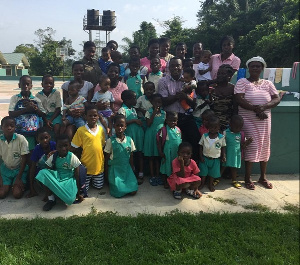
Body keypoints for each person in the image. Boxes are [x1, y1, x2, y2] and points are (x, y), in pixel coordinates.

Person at [234, 56, 280, 190]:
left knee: (265, 146)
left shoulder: (268, 84)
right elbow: (239, 99)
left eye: (258, 66)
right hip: (248, 120)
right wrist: (256, 109)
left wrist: (264, 107)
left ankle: (262, 177)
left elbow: (276, 99)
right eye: (252, 66)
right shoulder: (242, 82)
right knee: (251, 146)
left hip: (264, 121)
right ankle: (248, 178)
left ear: (262, 68)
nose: (255, 68)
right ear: (248, 68)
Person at [158, 57, 200, 160]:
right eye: (172, 65)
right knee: (169, 144)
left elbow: (194, 104)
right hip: (170, 118)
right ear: (169, 67)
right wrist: (178, 96)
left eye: (178, 65)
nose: (175, 68)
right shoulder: (163, 81)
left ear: (182, 67)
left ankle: (193, 169)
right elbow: (163, 101)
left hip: (186, 117)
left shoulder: (189, 80)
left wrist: (185, 97)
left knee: (195, 139)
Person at [35, 134, 82, 211]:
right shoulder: (54, 156)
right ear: (56, 147)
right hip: (57, 177)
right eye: (60, 146)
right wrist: (47, 192)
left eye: (65, 146)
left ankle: (61, 194)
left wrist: (78, 193)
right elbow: (48, 171)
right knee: (42, 173)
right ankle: (51, 199)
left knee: (70, 200)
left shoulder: (72, 157)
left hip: (68, 179)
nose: (63, 149)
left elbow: (77, 175)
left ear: (69, 146)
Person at [71, 106, 106, 192]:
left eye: (95, 115)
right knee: (83, 189)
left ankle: (94, 180)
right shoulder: (81, 130)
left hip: (98, 166)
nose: (93, 117)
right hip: (86, 165)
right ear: (85, 117)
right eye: (90, 115)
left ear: (98, 116)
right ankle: (87, 179)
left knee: (99, 187)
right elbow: (74, 147)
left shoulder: (101, 129)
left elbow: (102, 145)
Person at [104, 114, 138, 198]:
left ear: (125, 127)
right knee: (118, 192)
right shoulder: (110, 141)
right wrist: (106, 175)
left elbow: (131, 156)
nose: (120, 128)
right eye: (117, 125)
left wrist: (132, 168)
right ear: (114, 127)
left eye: (122, 125)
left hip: (126, 169)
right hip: (115, 170)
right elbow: (106, 158)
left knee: (133, 191)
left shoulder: (129, 140)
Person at [8, 75, 46, 151]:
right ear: (19, 85)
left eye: (28, 84)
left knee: (30, 150)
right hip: (19, 131)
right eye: (23, 84)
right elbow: (11, 114)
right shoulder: (15, 98)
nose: (25, 86)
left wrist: (35, 108)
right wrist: (26, 110)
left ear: (31, 86)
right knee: (20, 150)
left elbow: (43, 114)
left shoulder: (36, 100)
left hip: (32, 132)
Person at [118, 90, 144, 183]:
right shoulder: (122, 110)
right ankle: (131, 173)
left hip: (137, 135)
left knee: (139, 153)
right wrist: (134, 121)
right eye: (134, 98)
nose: (136, 100)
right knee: (131, 155)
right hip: (129, 135)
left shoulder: (133, 109)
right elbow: (121, 122)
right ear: (126, 100)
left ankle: (140, 173)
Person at [0, 116, 29, 199]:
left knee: (17, 194)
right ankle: (9, 185)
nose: (9, 128)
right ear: (2, 127)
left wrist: (19, 177)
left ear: (15, 127)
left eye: (12, 126)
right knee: (1, 194)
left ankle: (19, 184)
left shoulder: (20, 139)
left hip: (19, 170)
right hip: (6, 170)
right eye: (6, 126)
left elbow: (24, 158)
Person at [221, 115, 253, 189]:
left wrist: (247, 142)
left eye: (240, 127)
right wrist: (223, 154)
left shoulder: (241, 134)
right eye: (236, 127)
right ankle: (216, 179)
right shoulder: (225, 133)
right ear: (230, 125)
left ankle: (234, 180)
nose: (238, 129)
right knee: (223, 167)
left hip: (235, 155)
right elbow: (222, 144)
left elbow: (242, 146)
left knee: (234, 168)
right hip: (227, 154)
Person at [143, 94, 166, 185]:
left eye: (159, 102)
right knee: (151, 157)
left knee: (158, 157)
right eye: (155, 102)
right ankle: (152, 176)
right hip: (151, 136)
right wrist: (154, 113)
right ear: (152, 103)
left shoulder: (164, 113)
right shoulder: (148, 112)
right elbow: (148, 124)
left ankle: (158, 175)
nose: (157, 104)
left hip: (160, 137)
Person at [199, 115, 226, 192]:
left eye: (215, 127)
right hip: (205, 158)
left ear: (218, 127)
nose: (213, 129)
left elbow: (223, 146)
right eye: (211, 127)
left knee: (212, 174)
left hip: (215, 159)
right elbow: (200, 146)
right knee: (203, 173)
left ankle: (210, 184)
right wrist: (200, 156)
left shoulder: (221, 137)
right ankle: (202, 183)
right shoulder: (204, 136)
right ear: (208, 127)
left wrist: (223, 156)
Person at [27, 127, 56, 198]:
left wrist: (55, 151)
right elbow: (32, 168)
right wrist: (32, 188)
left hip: (54, 170)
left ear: (50, 137)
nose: (45, 140)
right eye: (41, 139)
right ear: (37, 139)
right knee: (43, 176)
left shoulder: (54, 145)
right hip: (42, 172)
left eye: (46, 137)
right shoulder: (37, 149)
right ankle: (48, 194)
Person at [157, 112, 182, 188]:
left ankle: (174, 180)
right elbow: (159, 141)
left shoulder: (178, 130)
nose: (172, 122)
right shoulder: (164, 130)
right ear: (166, 120)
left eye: (174, 120)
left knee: (175, 167)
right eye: (170, 120)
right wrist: (160, 151)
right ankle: (165, 181)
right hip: (167, 152)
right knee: (166, 167)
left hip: (176, 153)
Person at [211, 64, 238, 131]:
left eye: (223, 74)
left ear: (229, 76)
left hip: (227, 123)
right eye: (218, 73)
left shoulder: (233, 89)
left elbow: (235, 108)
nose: (219, 75)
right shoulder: (212, 88)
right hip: (212, 123)